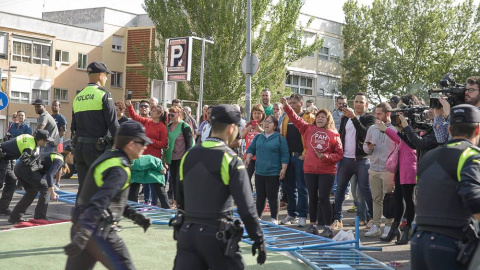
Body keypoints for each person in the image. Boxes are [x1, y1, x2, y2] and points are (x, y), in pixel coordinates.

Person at [174, 104, 266, 269]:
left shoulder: (188, 155)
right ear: (231, 129)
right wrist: (258, 238)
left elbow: (180, 198)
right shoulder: (231, 160)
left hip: (187, 234)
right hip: (216, 237)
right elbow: (246, 207)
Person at [64, 120, 152, 269]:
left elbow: (108, 196)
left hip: (81, 226)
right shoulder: (120, 169)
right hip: (97, 231)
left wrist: (133, 215)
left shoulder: (110, 157)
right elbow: (100, 200)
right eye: (142, 142)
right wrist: (85, 234)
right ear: (131, 144)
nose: (145, 146)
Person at [411, 104, 480, 270]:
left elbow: (417, 196)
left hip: (418, 242)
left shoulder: (428, 157)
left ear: (449, 130)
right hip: (449, 243)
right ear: (477, 130)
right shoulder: (471, 154)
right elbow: (473, 198)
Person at [282, 96, 343, 237]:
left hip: (327, 171)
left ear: (328, 120)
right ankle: (313, 224)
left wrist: (326, 157)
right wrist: (286, 106)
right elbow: (295, 119)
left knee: (324, 198)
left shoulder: (334, 134)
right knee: (312, 197)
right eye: (318, 116)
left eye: (323, 117)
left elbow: (339, 154)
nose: (320, 119)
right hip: (309, 170)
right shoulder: (308, 129)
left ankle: (328, 227)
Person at [71, 61, 119, 194]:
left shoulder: (78, 97)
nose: (107, 78)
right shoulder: (104, 94)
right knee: (101, 189)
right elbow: (113, 123)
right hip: (96, 150)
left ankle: (80, 214)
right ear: (100, 76)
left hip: (80, 150)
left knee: (83, 188)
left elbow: (73, 127)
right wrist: (122, 146)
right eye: (106, 75)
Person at [332, 92, 376, 230]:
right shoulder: (345, 118)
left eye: (361, 102)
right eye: (356, 101)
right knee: (339, 190)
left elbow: (366, 134)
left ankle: (372, 218)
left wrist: (354, 119)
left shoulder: (369, 118)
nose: (358, 104)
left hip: (362, 160)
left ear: (366, 104)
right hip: (346, 159)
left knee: (365, 190)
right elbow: (341, 136)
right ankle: (337, 219)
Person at [378, 109, 417, 245]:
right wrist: (386, 129)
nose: (397, 120)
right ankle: (395, 229)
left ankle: (408, 229)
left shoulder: (412, 133)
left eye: (400, 117)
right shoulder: (402, 133)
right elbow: (397, 138)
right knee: (398, 199)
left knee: (409, 200)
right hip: (401, 170)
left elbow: (403, 140)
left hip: (409, 171)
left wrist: (386, 129)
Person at [279, 93, 315, 227]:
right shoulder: (286, 117)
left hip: (301, 156)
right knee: (289, 187)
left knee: (302, 187)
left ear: (301, 103)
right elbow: (282, 137)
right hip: (288, 156)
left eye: (294, 103)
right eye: (290, 103)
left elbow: (312, 137)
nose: (292, 105)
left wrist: (305, 154)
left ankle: (302, 215)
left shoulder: (309, 117)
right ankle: (291, 213)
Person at [8, 149, 73, 223]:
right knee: (46, 189)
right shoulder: (59, 160)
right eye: (75, 156)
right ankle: (40, 217)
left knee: (32, 192)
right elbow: (50, 175)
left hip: (20, 167)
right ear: (69, 154)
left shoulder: (57, 156)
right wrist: (52, 192)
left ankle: (14, 217)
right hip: (27, 169)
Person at [245, 115, 289, 224]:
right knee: (260, 196)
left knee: (272, 196)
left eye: (269, 122)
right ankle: (258, 217)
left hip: (273, 172)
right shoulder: (259, 137)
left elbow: (285, 155)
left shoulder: (279, 138)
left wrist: (283, 168)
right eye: (265, 121)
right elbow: (251, 149)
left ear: (275, 125)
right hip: (259, 171)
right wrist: (249, 157)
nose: (266, 124)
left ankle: (274, 218)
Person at [362, 103, 396, 238]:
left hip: (388, 169)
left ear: (387, 114)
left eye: (379, 114)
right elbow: (365, 148)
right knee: (376, 199)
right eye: (375, 113)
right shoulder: (372, 128)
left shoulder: (394, 128)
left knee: (389, 199)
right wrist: (369, 147)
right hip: (373, 167)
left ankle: (388, 226)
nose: (376, 116)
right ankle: (376, 225)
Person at [126, 100, 168, 206]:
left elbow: (163, 143)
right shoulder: (147, 122)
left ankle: (163, 207)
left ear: (159, 114)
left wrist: (149, 140)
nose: (151, 112)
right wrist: (129, 106)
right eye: (152, 110)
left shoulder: (162, 127)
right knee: (135, 182)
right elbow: (135, 117)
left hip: (154, 160)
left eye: (154, 111)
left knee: (157, 186)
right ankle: (134, 207)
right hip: (143, 158)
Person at [0, 130, 52, 215]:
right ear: (41, 140)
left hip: (5, 158)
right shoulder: (29, 146)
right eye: (47, 141)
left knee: (12, 180)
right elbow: (26, 165)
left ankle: (2, 208)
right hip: (2, 158)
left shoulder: (29, 138)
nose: (47, 143)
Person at [433, 76, 480, 144]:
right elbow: (441, 139)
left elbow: (463, 139)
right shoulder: (463, 111)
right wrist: (438, 116)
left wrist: (450, 115)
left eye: (471, 90)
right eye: (465, 90)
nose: (466, 93)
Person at [165, 105, 194, 206]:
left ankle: (181, 202)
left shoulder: (185, 126)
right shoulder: (168, 127)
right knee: (173, 181)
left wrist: (188, 158)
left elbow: (190, 144)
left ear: (179, 114)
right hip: (171, 158)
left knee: (180, 181)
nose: (171, 117)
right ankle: (175, 201)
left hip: (182, 158)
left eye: (173, 115)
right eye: (169, 115)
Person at [241, 104, 266, 188]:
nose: (256, 115)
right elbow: (241, 136)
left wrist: (260, 129)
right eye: (255, 113)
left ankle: (261, 198)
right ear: (252, 114)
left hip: (261, 156)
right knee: (246, 178)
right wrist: (248, 129)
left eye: (259, 113)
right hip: (249, 157)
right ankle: (250, 197)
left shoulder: (264, 124)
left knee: (259, 180)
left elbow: (269, 136)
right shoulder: (248, 124)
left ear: (262, 114)